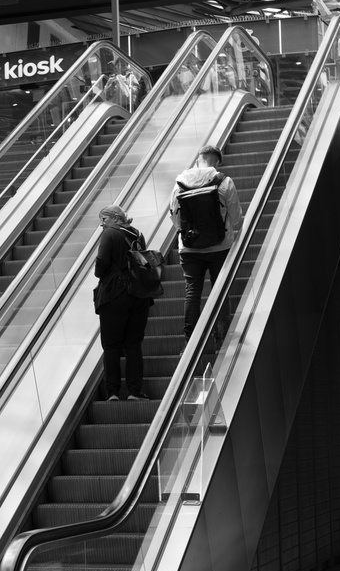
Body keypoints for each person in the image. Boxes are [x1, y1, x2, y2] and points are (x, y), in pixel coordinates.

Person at [168, 145, 242, 350]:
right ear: (217, 161)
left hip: (190, 249)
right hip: (220, 246)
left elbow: (175, 219)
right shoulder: (224, 182)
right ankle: (221, 340)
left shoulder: (179, 184)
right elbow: (235, 219)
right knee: (220, 291)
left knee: (192, 292)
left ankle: (191, 342)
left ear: (199, 158)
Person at [94, 205, 151, 401]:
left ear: (117, 219)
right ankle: (135, 392)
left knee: (111, 346)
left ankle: (113, 393)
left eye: (104, 219)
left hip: (114, 295)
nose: (101, 224)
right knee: (133, 344)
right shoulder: (138, 234)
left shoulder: (110, 234)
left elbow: (101, 264)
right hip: (138, 294)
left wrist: (102, 272)